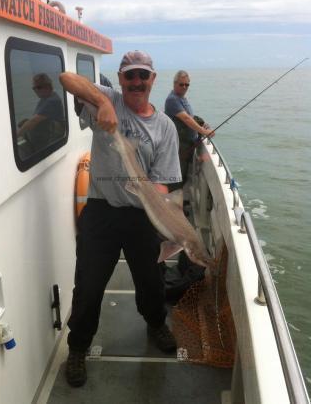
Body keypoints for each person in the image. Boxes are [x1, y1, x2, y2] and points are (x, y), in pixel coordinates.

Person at [61, 51, 182, 388]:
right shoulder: (108, 97)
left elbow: (164, 181)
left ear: (153, 80)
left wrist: (154, 199)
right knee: (88, 286)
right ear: (121, 78)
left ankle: (156, 322)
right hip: (101, 211)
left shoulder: (165, 127)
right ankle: (78, 348)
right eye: (130, 76)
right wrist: (103, 102)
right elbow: (66, 79)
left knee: (151, 280)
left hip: (142, 214)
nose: (137, 82)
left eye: (144, 75)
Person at [164, 70, 214, 189]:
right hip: (179, 147)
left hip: (188, 146)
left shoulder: (182, 98)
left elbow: (190, 117)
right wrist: (204, 132)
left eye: (187, 84)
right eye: (181, 84)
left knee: (184, 176)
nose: (184, 87)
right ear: (174, 84)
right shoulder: (172, 99)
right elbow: (186, 119)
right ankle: (171, 202)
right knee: (176, 179)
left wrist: (202, 125)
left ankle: (177, 200)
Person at [17, 73, 65, 151]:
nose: (35, 90)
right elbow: (39, 117)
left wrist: (16, 135)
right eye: (34, 88)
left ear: (47, 86)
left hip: (48, 139)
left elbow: (34, 121)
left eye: (38, 87)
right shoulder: (46, 97)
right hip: (44, 134)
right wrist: (26, 122)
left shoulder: (52, 101)